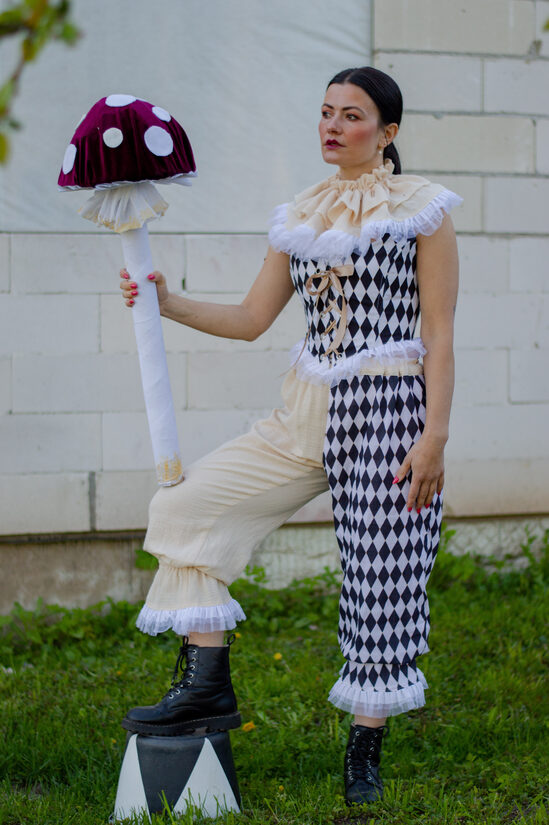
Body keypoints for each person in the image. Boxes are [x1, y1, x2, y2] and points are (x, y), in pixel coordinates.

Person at [118, 66, 460, 806]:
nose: (333, 126)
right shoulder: (299, 214)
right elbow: (251, 319)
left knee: (378, 577)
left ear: (388, 132)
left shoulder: (423, 210)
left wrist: (433, 435)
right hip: (302, 409)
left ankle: (364, 748)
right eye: (326, 112)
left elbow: (438, 333)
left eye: (352, 115)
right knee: (185, 506)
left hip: (386, 409)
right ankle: (206, 684)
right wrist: (166, 301)